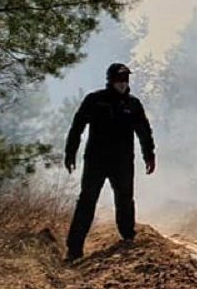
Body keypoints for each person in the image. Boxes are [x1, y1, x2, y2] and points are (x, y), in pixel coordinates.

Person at [63, 63, 156, 261]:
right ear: (110, 80)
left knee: (125, 199)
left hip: (122, 162)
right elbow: (77, 127)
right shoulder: (95, 100)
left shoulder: (133, 104)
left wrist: (149, 155)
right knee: (87, 201)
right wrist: (70, 152)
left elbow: (144, 132)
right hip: (96, 161)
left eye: (125, 79)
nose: (123, 83)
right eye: (119, 79)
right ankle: (74, 249)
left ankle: (128, 237)